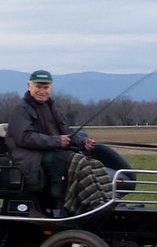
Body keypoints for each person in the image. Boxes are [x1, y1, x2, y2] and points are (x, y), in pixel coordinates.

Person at [6, 69, 96, 206]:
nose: (42, 91)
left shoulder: (52, 107)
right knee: (79, 161)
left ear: (51, 88)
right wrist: (57, 141)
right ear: (29, 86)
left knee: (94, 164)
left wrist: (83, 142)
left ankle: (103, 198)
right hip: (33, 156)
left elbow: (67, 132)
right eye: (38, 87)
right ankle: (82, 203)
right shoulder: (21, 109)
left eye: (46, 87)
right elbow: (25, 137)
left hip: (54, 151)